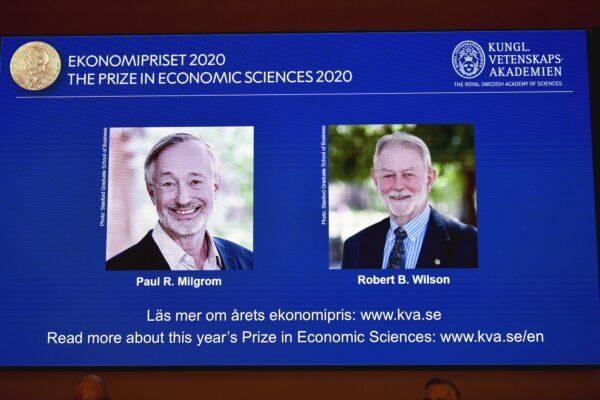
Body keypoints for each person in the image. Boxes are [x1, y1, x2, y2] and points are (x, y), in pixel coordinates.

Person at [107, 133, 252, 270]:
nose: (183, 199)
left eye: (195, 181)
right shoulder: (115, 271)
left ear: (215, 186)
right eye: (168, 184)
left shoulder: (249, 262)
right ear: (151, 192)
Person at [341, 132, 477, 269]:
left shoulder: (471, 243)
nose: (398, 185)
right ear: (376, 179)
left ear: (429, 179)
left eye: (408, 175)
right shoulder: (355, 247)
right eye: (388, 175)